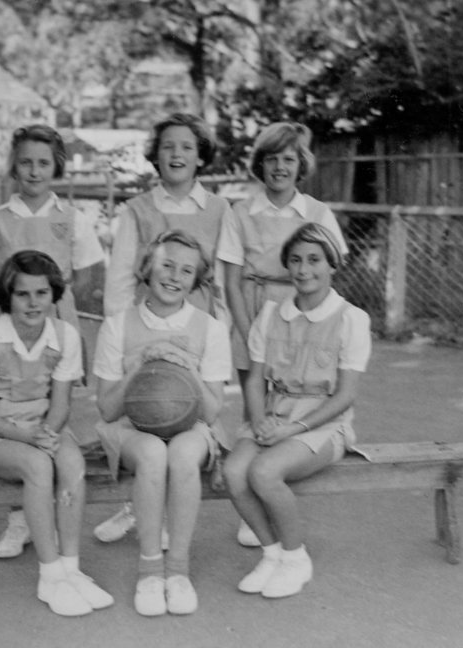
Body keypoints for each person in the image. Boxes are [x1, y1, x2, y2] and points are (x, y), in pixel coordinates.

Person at [0, 124, 106, 559]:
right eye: (25, 161)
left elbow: (86, 272)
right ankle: (18, 518)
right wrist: (14, 303)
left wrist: (58, 302)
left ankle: (49, 507)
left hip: (55, 316)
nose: (33, 170)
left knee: (52, 407)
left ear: (57, 167)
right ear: (14, 166)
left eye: (43, 162)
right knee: (10, 406)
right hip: (12, 318)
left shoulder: (72, 218)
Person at [96, 112, 232, 544]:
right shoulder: (137, 209)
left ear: (200, 157)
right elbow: (119, 279)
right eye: (168, 146)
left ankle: (171, 517)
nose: (177, 154)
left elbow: (225, 278)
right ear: (155, 155)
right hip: (146, 330)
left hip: (194, 334)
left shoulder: (219, 209)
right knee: (146, 415)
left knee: (186, 417)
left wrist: (221, 329)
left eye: (187, 147)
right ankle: (135, 506)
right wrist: (124, 330)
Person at [0, 250, 113, 617]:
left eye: (41, 293)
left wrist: (48, 432)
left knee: (72, 462)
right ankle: (49, 574)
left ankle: (71, 570)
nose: (32, 302)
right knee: (39, 467)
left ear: (54, 294)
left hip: (46, 427)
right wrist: (30, 440)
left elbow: (60, 406)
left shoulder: (65, 335)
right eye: (22, 294)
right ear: (7, 296)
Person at [222, 223, 371, 599]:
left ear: (333, 263)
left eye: (314, 260)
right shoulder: (271, 315)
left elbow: (345, 396)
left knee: (265, 470)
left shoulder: (351, 319)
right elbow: (255, 380)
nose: (304, 270)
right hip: (273, 414)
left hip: (324, 424)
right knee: (234, 471)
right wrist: (259, 422)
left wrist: (293, 429)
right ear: (287, 266)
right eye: (296, 260)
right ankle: (272, 554)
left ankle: (296, 556)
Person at [217, 122, 348, 547]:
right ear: (260, 164)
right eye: (271, 159)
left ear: (300, 165)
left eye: (288, 159)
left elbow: (327, 270)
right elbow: (233, 280)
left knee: (296, 402)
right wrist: (248, 327)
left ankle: (275, 488)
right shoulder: (241, 213)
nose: (279, 167)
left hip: (299, 315)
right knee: (256, 409)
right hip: (253, 313)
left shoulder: (317, 212)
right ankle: (251, 505)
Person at [93, 230, 232, 616]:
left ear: (196, 280)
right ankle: (150, 570)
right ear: (147, 268)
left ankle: (178, 571)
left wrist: (188, 367)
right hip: (131, 428)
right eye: (166, 265)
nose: (174, 277)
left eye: (186, 271)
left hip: (191, 427)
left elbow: (212, 411)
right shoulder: (118, 326)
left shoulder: (211, 328)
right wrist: (140, 363)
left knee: (185, 453)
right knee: (154, 453)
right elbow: (106, 409)